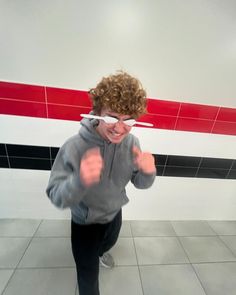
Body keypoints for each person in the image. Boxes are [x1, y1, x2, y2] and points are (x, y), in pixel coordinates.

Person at [46, 71, 156, 295]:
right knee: (87, 276)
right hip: (85, 223)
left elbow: (141, 184)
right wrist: (80, 180)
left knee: (108, 244)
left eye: (128, 120)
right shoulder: (74, 146)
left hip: (114, 214)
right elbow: (56, 195)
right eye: (112, 117)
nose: (119, 128)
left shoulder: (132, 142)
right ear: (97, 113)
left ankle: (100, 250)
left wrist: (148, 172)